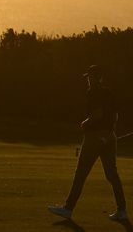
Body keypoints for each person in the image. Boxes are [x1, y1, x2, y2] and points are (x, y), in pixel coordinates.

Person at [48, 65, 128, 222]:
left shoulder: (93, 92)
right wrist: (109, 133)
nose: (88, 80)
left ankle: (68, 209)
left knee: (81, 173)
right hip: (110, 137)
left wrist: (86, 122)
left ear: (94, 78)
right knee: (112, 175)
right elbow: (115, 116)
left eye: (89, 77)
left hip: (95, 137)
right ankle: (122, 210)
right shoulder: (109, 93)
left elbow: (98, 114)